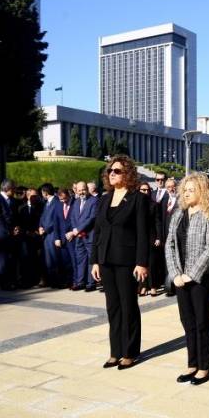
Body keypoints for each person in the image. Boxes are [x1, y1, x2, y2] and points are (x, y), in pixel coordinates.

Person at [90, 155, 150, 370]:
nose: (112, 174)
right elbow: (98, 232)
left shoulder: (137, 198)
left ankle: (130, 352)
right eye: (110, 171)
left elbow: (144, 234)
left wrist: (142, 262)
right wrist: (95, 261)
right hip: (106, 260)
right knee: (112, 307)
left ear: (128, 174)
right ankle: (115, 351)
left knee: (128, 307)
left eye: (117, 171)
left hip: (127, 261)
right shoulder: (104, 199)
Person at [165, 173, 209, 385]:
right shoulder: (178, 214)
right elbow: (170, 244)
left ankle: (204, 367)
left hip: (200, 279)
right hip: (180, 278)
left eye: (191, 190)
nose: (186, 194)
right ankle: (192, 364)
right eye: (184, 190)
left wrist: (191, 274)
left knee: (201, 322)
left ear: (202, 192)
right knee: (187, 322)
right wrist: (175, 273)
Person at [67, 181, 98, 291]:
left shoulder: (94, 201)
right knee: (80, 259)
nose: (81, 192)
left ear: (87, 189)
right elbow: (73, 217)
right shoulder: (76, 202)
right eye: (79, 190)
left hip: (89, 235)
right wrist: (76, 230)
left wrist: (78, 229)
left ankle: (91, 284)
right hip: (79, 236)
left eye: (83, 190)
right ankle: (80, 282)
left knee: (91, 260)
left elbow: (92, 218)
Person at [0, 179, 21, 290]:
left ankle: (13, 280)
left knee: (12, 258)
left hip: (13, 234)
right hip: (3, 234)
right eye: (14, 189)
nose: (15, 191)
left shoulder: (12, 200)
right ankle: (4, 282)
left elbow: (15, 216)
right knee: (3, 258)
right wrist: (9, 231)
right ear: (8, 189)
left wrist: (17, 227)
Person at [158, 178, 179, 296]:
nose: (171, 189)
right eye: (169, 187)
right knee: (168, 262)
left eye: (173, 186)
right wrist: (161, 237)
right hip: (166, 236)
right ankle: (169, 286)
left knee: (178, 261)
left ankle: (177, 285)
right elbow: (160, 220)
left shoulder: (181, 200)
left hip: (178, 236)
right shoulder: (164, 200)